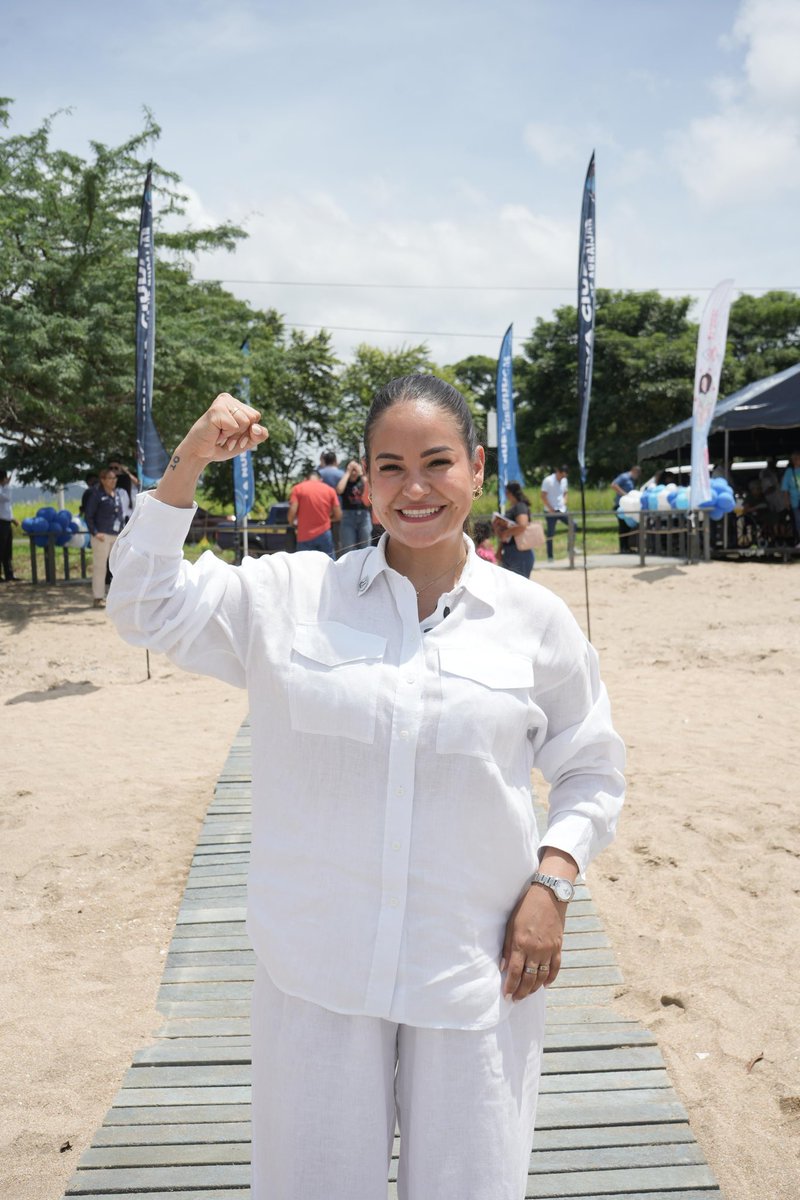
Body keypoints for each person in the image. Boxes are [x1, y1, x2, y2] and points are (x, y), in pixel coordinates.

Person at [106, 375, 625, 1200]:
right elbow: (140, 603)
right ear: (364, 478)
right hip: (317, 967)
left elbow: (590, 764)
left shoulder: (535, 620)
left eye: (437, 462)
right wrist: (187, 463)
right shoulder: (289, 596)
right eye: (390, 467)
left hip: (473, 968)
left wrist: (553, 882)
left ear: (477, 467)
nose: (414, 488)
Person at [83, 467, 124, 607]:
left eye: (115, 478)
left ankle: (116, 597)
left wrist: (122, 533)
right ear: (103, 480)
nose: (113, 481)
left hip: (116, 535)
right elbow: (88, 515)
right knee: (100, 567)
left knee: (117, 567)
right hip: (102, 536)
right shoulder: (96, 494)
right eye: (110, 478)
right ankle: (98, 597)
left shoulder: (117, 494)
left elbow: (120, 515)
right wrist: (95, 532)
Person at [287, 468, 340, 558]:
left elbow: (292, 512)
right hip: (324, 534)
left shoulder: (298, 488)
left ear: (306, 479)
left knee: (304, 568)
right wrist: (329, 519)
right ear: (321, 479)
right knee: (328, 565)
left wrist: (292, 523)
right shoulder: (330, 490)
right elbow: (338, 515)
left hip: (304, 535)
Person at [494, 480, 535, 577]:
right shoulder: (515, 507)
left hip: (520, 553)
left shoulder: (520, 506)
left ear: (509, 492)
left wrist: (506, 533)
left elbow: (522, 525)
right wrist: (499, 549)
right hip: (511, 552)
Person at [336, 458, 373, 554]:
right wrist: (348, 473)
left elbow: (370, 484)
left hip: (364, 516)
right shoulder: (345, 481)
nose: (353, 473)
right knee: (348, 548)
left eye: (355, 470)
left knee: (366, 547)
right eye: (351, 470)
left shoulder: (363, 480)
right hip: (348, 516)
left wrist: (361, 473)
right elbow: (339, 490)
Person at [540, 465, 569, 562]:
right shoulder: (548, 480)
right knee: (551, 533)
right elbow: (543, 496)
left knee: (573, 525)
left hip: (561, 509)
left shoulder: (564, 480)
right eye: (561, 475)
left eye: (564, 476)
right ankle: (550, 556)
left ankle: (570, 549)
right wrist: (550, 508)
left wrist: (564, 502)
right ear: (558, 472)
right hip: (550, 510)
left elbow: (565, 493)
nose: (562, 477)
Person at [318, 451, 345, 555]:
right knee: (338, 541)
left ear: (324, 460)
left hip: (322, 513)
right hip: (340, 511)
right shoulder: (342, 474)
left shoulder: (319, 474)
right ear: (335, 461)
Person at [611, 464, 641, 553]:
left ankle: (626, 547)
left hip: (627, 506)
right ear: (634, 471)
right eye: (638, 474)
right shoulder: (624, 477)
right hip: (621, 506)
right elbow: (613, 485)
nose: (637, 476)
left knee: (627, 528)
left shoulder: (631, 480)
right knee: (623, 527)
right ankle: (623, 548)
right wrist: (625, 495)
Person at [0, 470, 20, 582]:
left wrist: (12, 519)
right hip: (1, 523)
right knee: (1, 549)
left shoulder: (4, 489)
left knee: (8, 550)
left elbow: (7, 507)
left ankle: (9, 574)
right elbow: (5, 498)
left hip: (6, 522)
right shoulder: (3, 490)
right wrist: (7, 485)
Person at [781, 449, 800, 546]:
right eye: (794, 459)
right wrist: (786, 501)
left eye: (798, 458)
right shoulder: (789, 472)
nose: (796, 460)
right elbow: (785, 489)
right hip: (795, 501)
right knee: (797, 521)